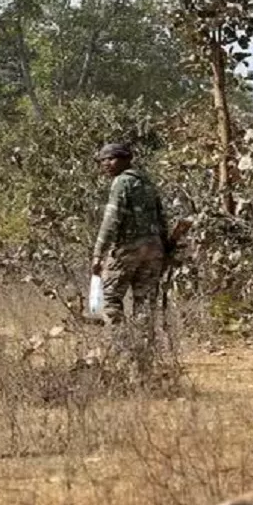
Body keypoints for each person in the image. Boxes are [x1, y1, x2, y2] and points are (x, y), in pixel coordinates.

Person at [91, 142, 170, 371]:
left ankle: (123, 350)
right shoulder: (147, 182)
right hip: (153, 250)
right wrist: (164, 248)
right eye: (102, 160)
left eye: (110, 159)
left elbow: (111, 220)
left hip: (128, 249)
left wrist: (98, 253)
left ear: (125, 159)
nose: (105, 164)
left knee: (110, 300)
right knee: (144, 303)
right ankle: (143, 356)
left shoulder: (122, 182)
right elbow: (161, 217)